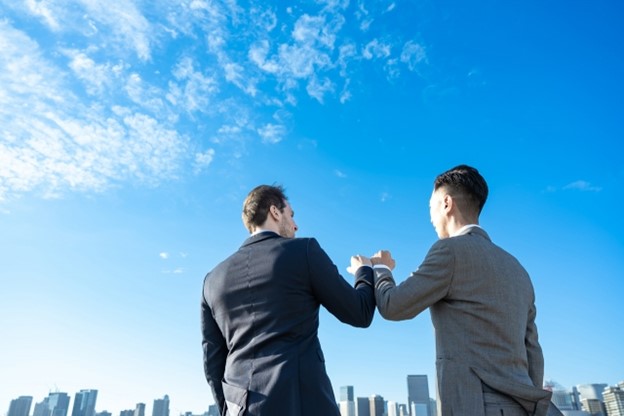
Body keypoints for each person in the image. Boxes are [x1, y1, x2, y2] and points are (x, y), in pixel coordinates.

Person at [353, 165, 559, 416]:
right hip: (522, 406)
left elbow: (393, 306)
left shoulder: (449, 251)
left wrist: (381, 268)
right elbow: (533, 351)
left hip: (475, 405)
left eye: (431, 207)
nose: (430, 217)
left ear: (446, 203)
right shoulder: (518, 269)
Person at [201, 184, 376, 416]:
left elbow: (212, 362)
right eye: (291, 215)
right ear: (275, 212)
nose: (295, 225)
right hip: (301, 404)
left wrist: (230, 408)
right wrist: (364, 271)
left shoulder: (212, 279)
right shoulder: (304, 251)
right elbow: (359, 312)